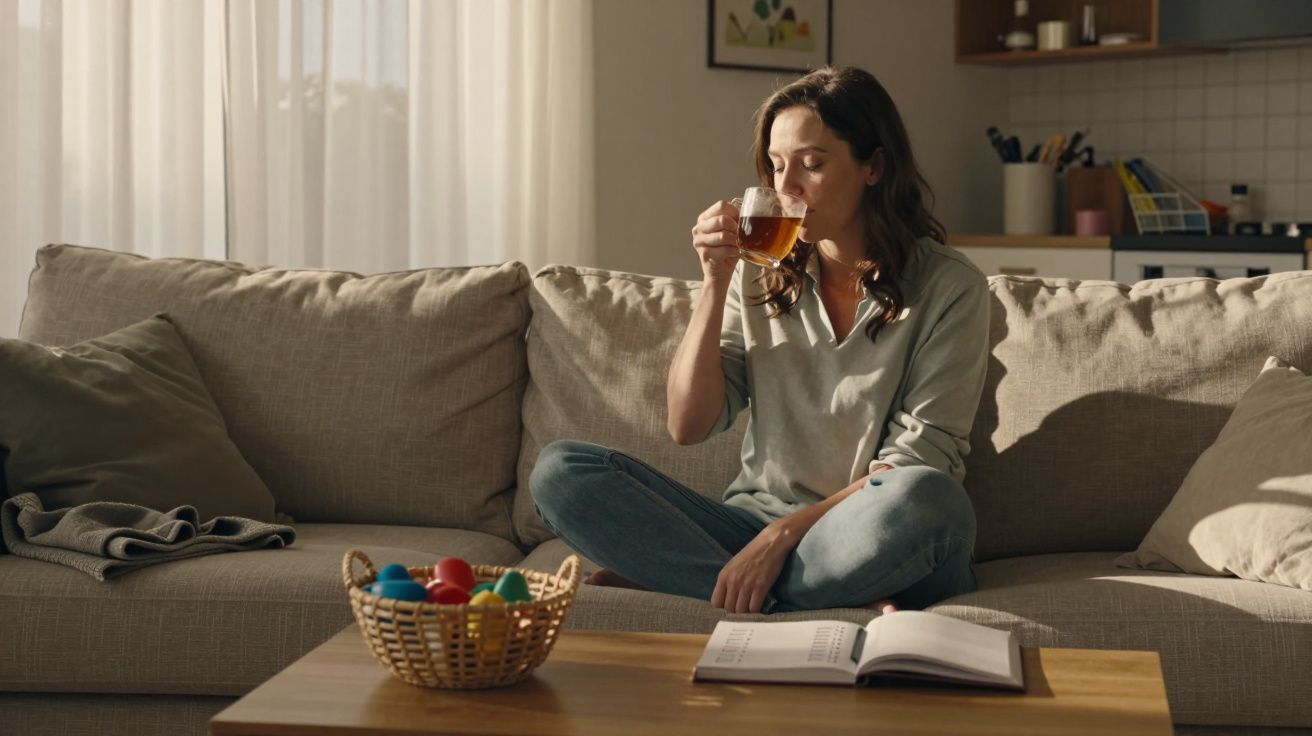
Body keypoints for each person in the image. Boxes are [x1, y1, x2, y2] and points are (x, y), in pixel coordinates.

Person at [530, 66, 990, 615]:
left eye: (812, 165)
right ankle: (796, 598)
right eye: (775, 166)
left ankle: (711, 585)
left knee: (928, 498)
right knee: (562, 472)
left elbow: (915, 463)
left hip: (872, 526)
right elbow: (688, 424)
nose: (786, 187)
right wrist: (714, 279)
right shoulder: (758, 272)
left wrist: (780, 539)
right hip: (750, 524)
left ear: (874, 165)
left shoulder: (951, 287)